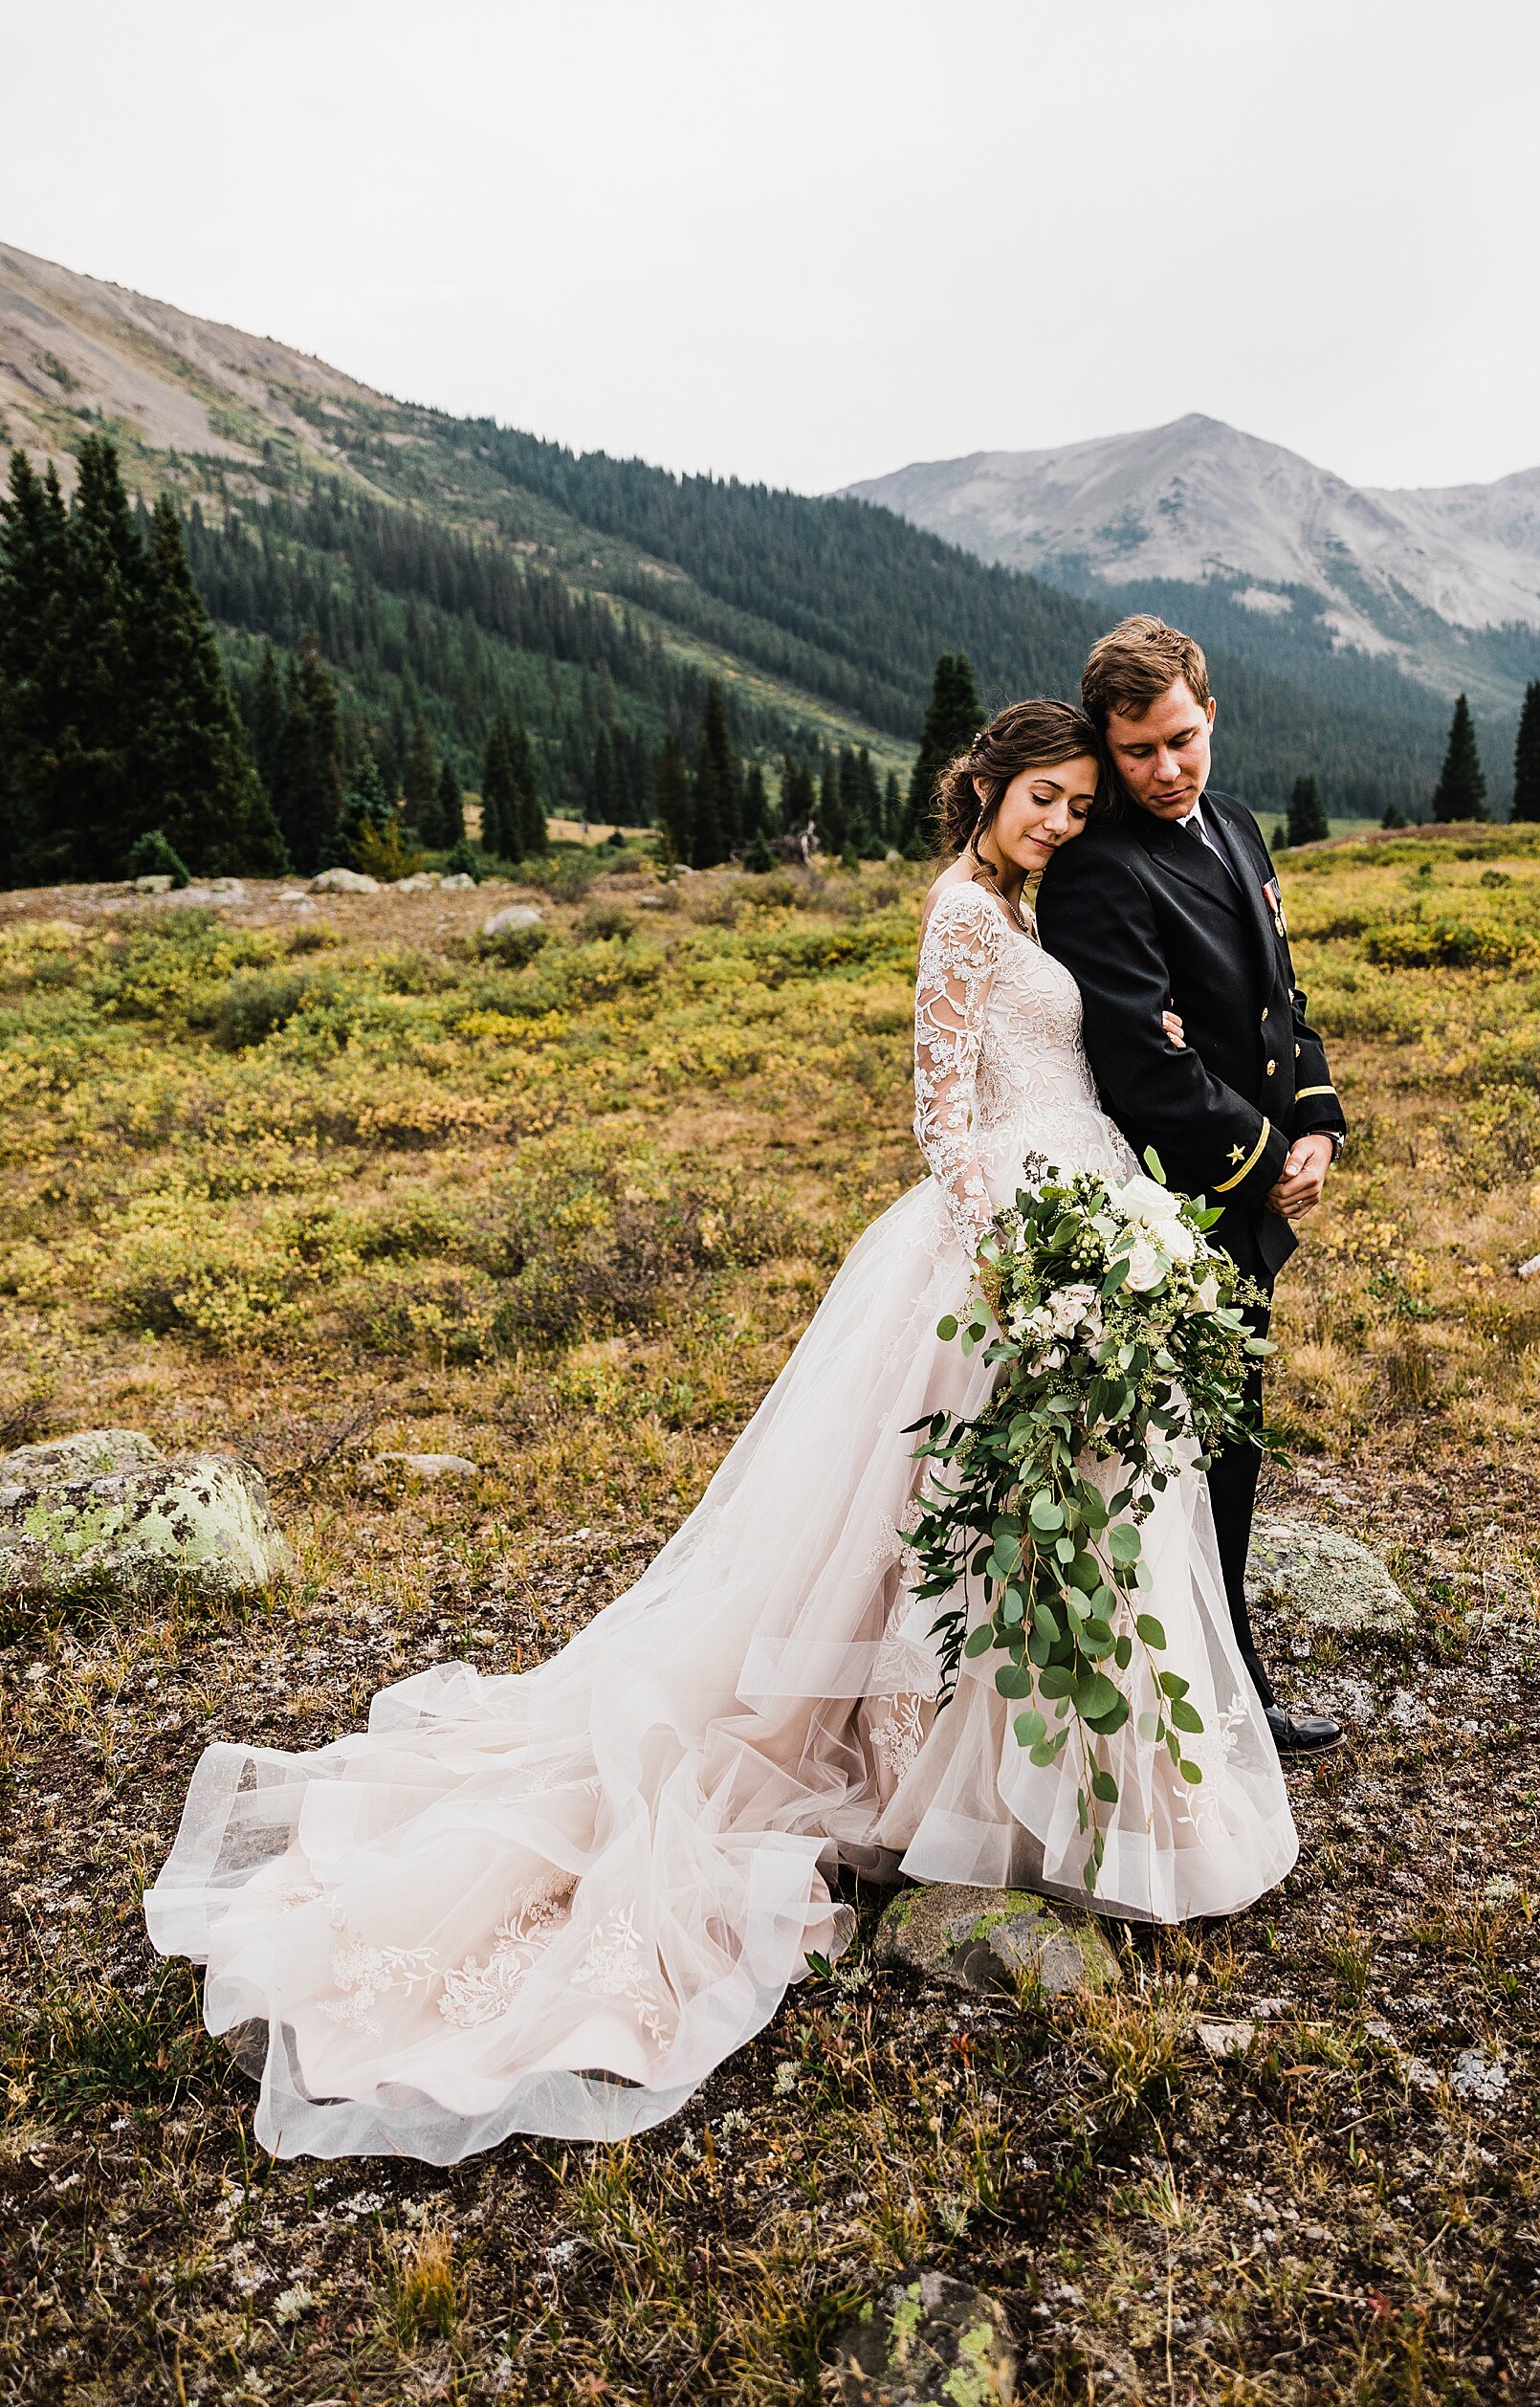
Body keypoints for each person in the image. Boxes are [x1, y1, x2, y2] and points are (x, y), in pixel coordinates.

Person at [144, 698, 1297, 2165]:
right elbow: (945, 1121)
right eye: (1046, 798)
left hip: (1079, 1207)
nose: (1064, 821)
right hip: (1005, 1235)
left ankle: (1052, 1767)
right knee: (950, 1508)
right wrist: (1017, 1256)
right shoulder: (959, 916)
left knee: (1052, 1501)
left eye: (1081, 802)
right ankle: (980, 1770)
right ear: (988, 791)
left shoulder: (1018, 906)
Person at [1037, 617, 1347, 1756]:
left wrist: (1314, 1122)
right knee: (1184, 1462)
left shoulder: (1235, 822)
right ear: (1104, 748)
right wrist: (1264, 1167)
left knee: (1233, 1452)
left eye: (1180, 741)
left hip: (1247, 1194)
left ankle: (1226, 1678)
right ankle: (1216, 1700)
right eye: (1135, 754)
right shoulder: (1098, 873)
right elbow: (1143, 1066)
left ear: (1209, 714)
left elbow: (1278, 1004)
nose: (1166, 772)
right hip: (1175, 1211)